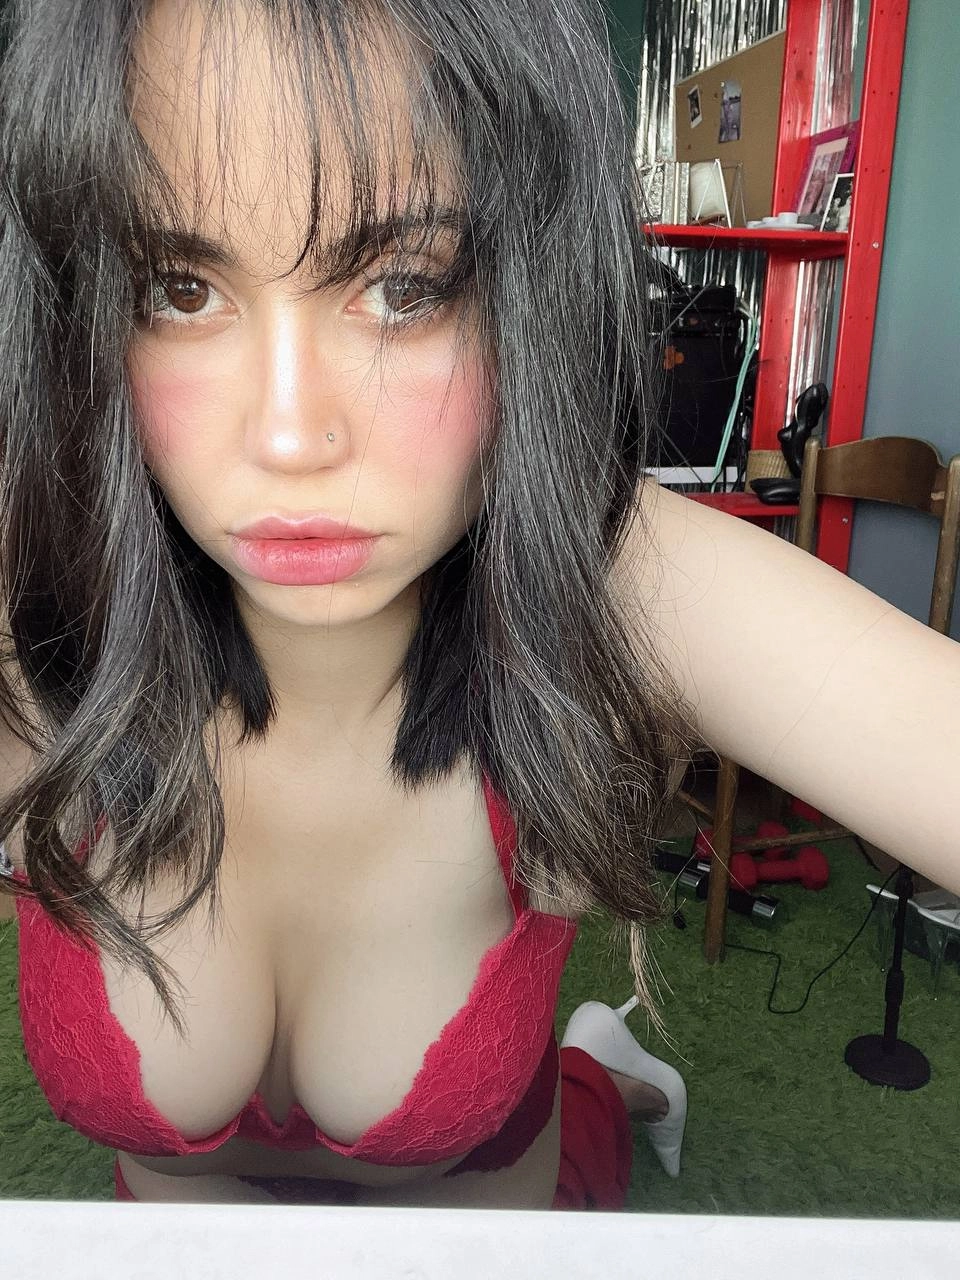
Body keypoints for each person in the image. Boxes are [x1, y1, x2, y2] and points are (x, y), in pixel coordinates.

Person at [0, 0, 957, 1212]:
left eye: (406, 285)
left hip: (496, 1204)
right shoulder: (37, 587)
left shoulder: (622, 585)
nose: (289, 435)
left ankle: (612, 1074)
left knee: (583, 1098)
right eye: (178, 287)